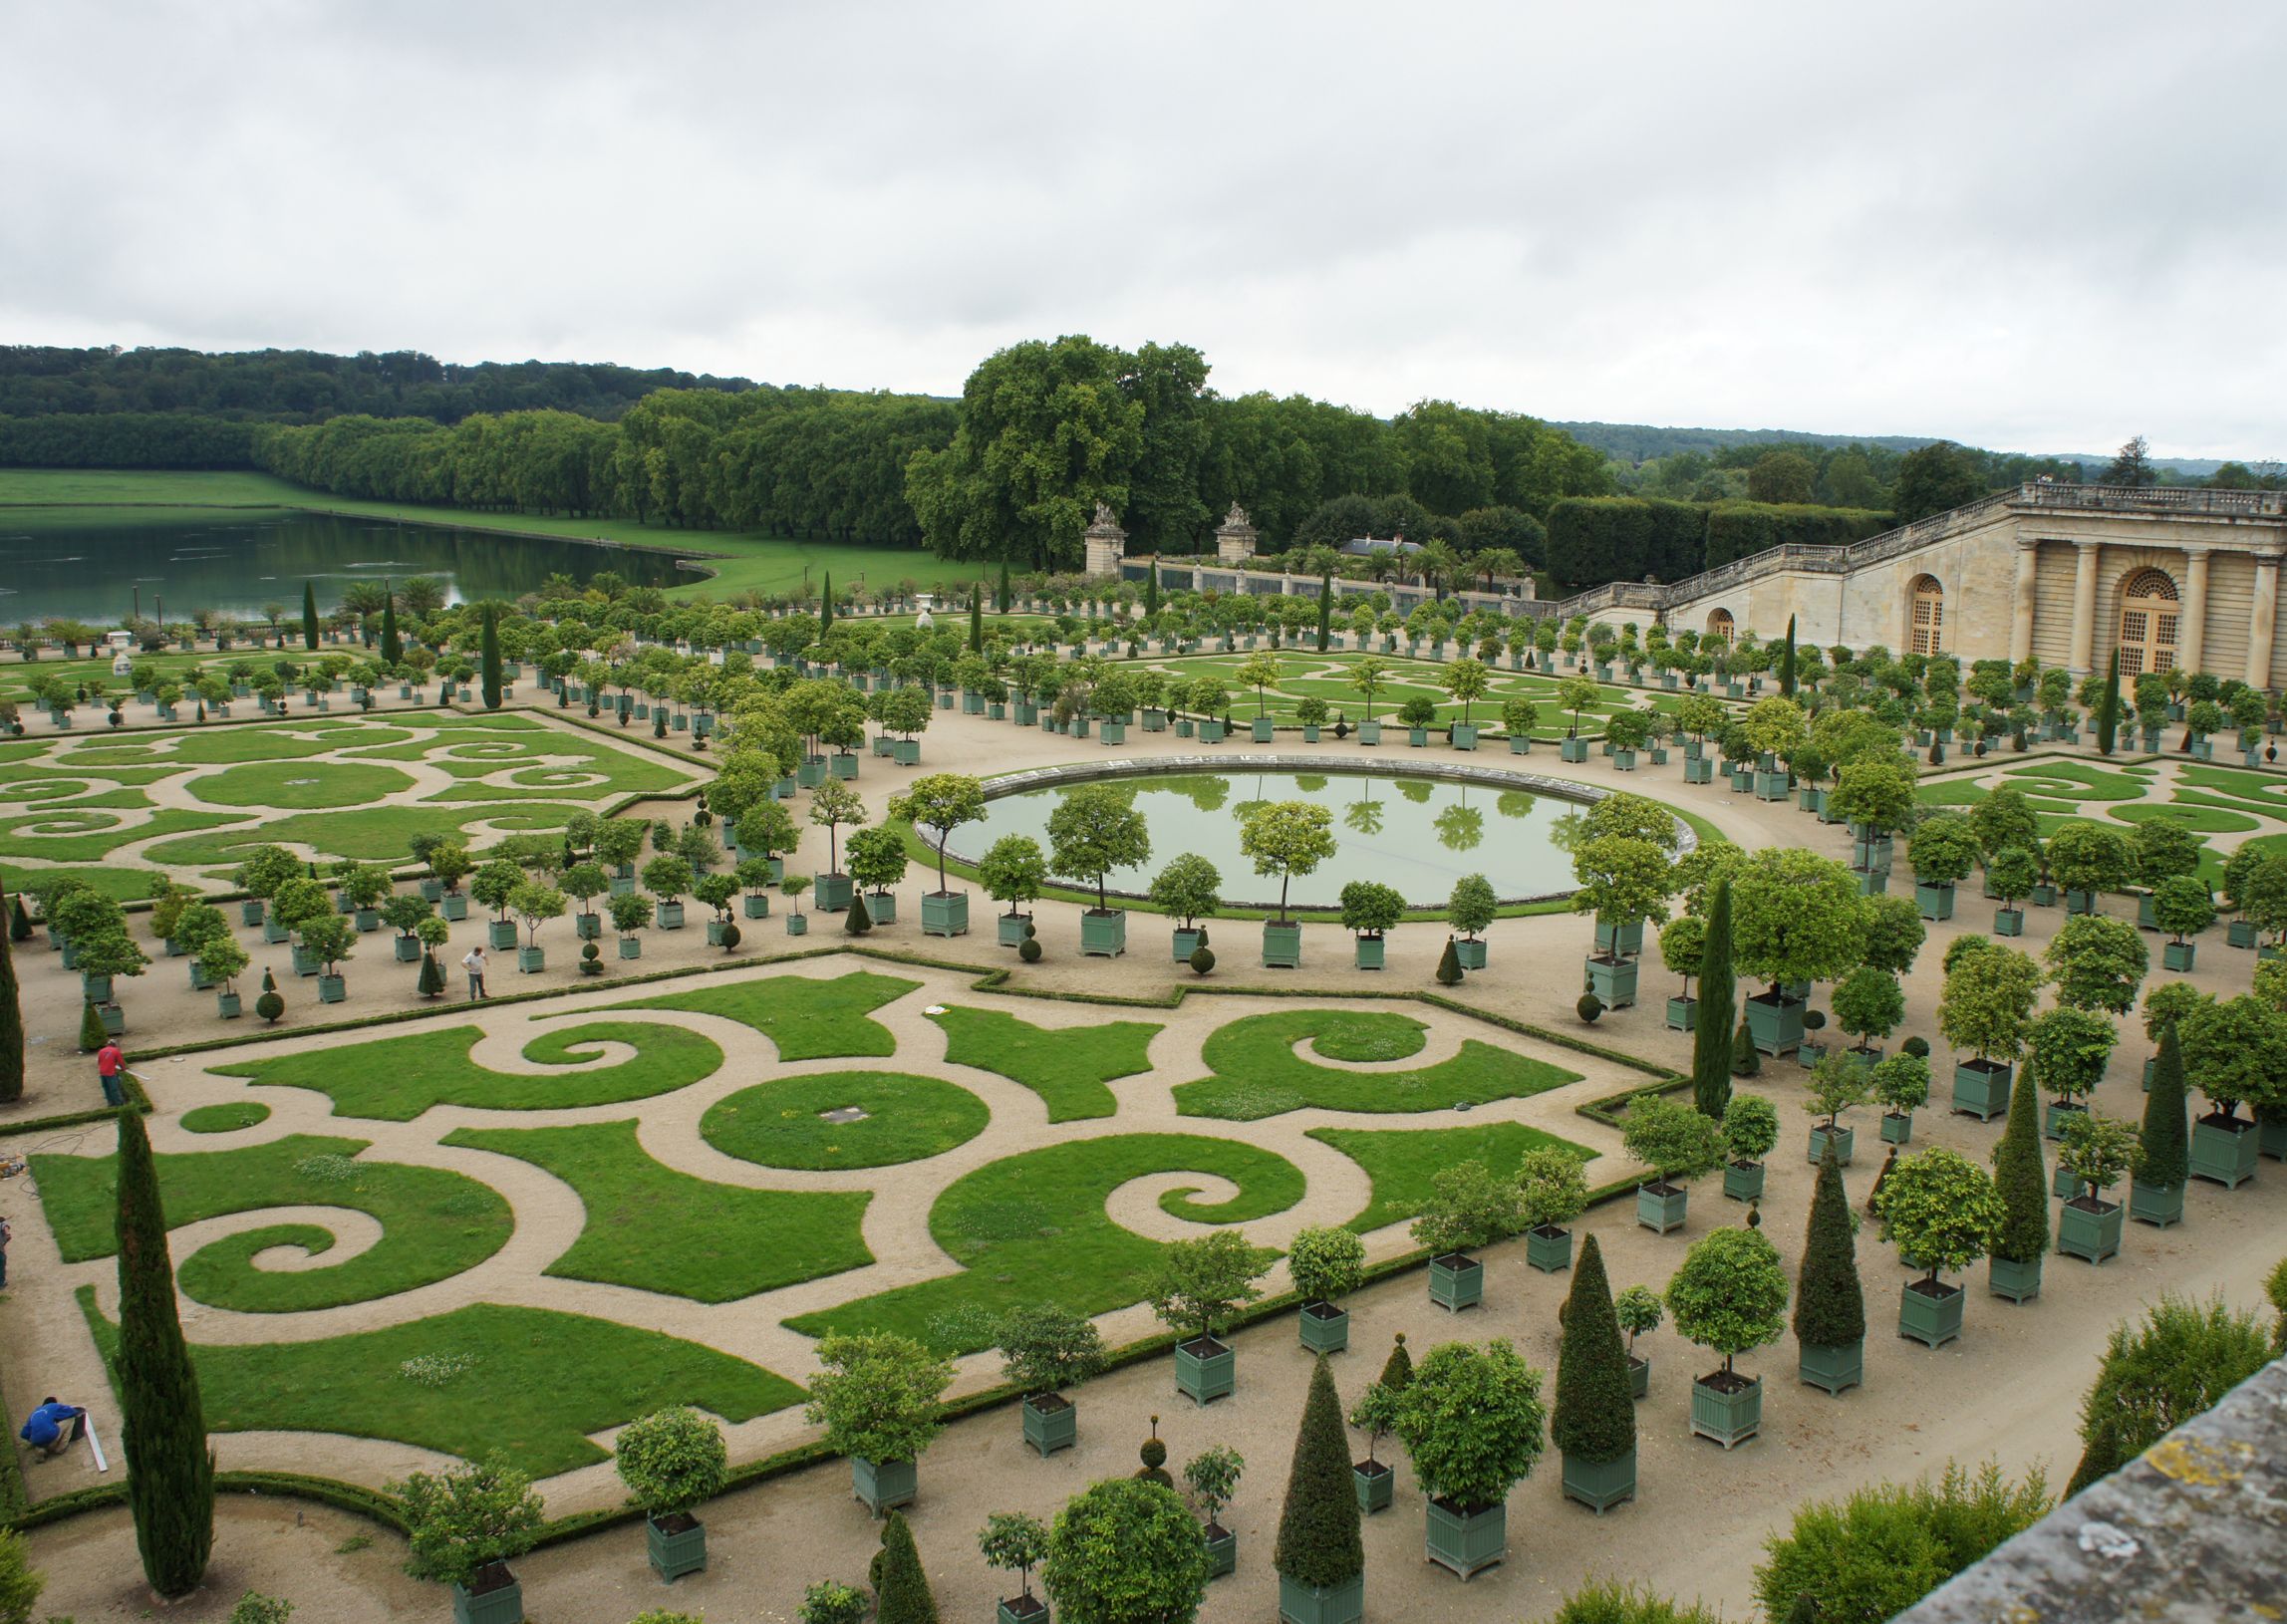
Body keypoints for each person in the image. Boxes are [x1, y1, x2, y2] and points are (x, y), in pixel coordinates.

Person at [20, 1398, 86, 1460]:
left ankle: (41, 1448)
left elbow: (23, 1434)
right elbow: (70, 1412)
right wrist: (76, 1412)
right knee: (71, 1419)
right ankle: (60, 1448)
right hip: (50, 1435)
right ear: (53, 1403)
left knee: (44, 1431)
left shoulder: (34, 1413)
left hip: (36, 1441)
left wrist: (34, 1439)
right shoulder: (53, 1406)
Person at [96, 1036, 125, 1107]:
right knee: (114, 1088)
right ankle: (119, 1103)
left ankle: (110, 1102)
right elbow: (121, 1062)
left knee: (106, 1088)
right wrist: (123, 1068)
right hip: (110, 1073)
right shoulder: (116, 1051)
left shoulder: (101, 1051)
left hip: (102, 1073)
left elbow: (99, 1062)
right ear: (114, 1045)